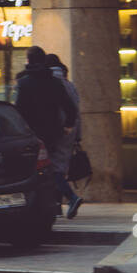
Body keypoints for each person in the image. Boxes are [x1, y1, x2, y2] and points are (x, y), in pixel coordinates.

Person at [15, 45, 77, 158]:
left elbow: (19, 110)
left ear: (28, 60)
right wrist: (68, 126)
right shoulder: (55, 83)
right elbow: (70, 108)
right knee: (53, 165)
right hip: (52, 132)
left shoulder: (23, 83)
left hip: (31, 133)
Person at [44, 54, 84, 219]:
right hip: (71, 130)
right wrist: (78, 135)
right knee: (59, 167)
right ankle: (57, 206)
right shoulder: (69, 84)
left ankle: (71, 197)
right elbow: (77, 112)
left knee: (54, 169)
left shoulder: (52, 83)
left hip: (59, 130)